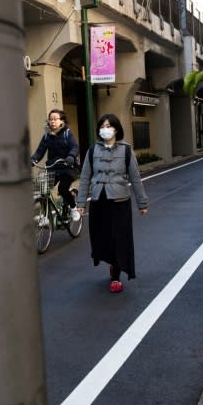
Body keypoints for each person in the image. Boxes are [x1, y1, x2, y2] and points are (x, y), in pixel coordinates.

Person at [76, 114, 149, 293]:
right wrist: (81, 202)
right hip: (98, 200)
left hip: (119, 201)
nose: (105, 129)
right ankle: (111, 263)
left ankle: (116, 275)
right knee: (102, 238)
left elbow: (135, 178)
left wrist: (142, 203)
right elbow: (85, 177)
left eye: (108, 125)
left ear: (116, 129)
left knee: (119, 238)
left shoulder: (126, 150)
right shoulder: (92, 150)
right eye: (102, 126)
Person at [31, 109, 81, 221]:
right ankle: (45, 217)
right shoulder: (46, 136)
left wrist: (71, 156)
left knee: (63, 188)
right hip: (53, 167)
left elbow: (74, 147)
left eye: (55, 119)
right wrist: (33, 159)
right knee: (43, 190)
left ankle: (73, 208)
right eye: (51, 119)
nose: (52, 121)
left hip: (68, 167)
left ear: (61, 121)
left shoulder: (67, 133)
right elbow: (40, 151)